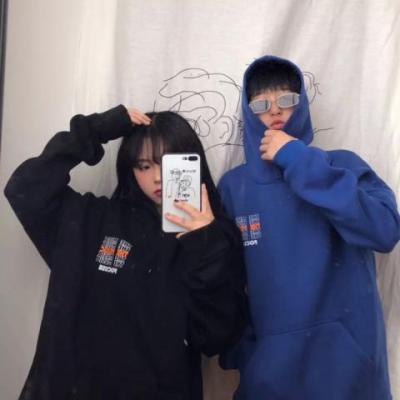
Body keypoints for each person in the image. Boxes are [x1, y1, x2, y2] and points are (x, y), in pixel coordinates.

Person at [4, 105, 247, 400]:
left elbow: (216, 338)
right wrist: (95, 130)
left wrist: (205, 245)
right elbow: (25, 189)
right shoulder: (93, 220)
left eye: (169, 164)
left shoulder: (216, 238)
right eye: (144, 166)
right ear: (130, 169)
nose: (158, 178)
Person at [218, 55, 400, 400]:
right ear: (248, 111)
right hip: (269, 375)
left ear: (301, 104)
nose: (275, 111)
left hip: (349, 371)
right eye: (261, 104)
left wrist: (297, 159)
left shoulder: (343, 165)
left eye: (286, 99)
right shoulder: (233, 187)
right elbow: (223, 282)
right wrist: (246, 356)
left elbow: (386, 231)